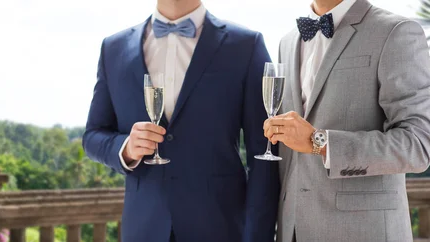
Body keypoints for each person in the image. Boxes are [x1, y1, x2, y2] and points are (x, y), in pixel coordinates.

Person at [82, 0, 280, 241]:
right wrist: (126, 148)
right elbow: (93, 135)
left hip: (220, 228)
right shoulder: (113, 48)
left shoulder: (246, 45)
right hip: (143, 229)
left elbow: (264, 154)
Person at [264, 0, 430, 241]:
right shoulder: (288, 41)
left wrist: (318, 142)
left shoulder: (396, 32)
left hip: (363, 232)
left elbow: (418, 146)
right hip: (293, 231)